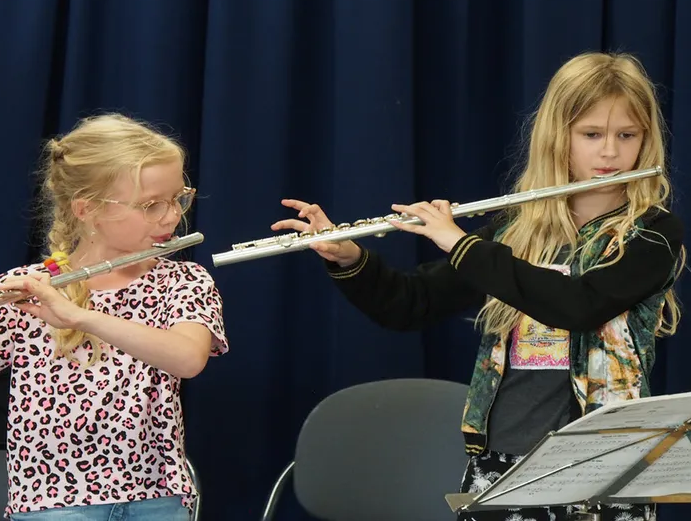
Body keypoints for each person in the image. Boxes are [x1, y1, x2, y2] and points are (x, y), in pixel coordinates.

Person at [271, 52, 684, 521]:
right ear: (558, 138)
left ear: (645, 140)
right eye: (591, 134)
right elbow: (411, 305)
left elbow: (579, 306)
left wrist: (460, 243)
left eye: (626, 135)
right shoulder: (515, 231)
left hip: (603, 465)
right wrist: (350, 258)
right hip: (501, 462)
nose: (609, 152)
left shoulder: (651, 234)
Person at [0, 114, 227, 520]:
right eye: (151, 205)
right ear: (87, 209)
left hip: (156, 497)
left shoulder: (184, 280)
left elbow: (187, 359)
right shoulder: (25, 288)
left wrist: (79, 316)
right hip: (50, 503)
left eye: (178, 198)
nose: (171, 216)